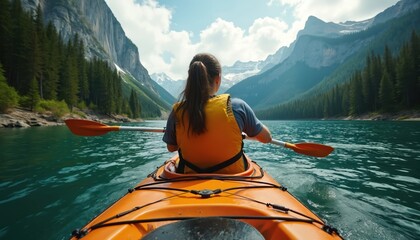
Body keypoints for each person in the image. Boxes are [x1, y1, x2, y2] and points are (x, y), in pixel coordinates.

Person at [163, 53, 272, 174]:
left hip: (189, 178)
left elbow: (171, 147)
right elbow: (266, 138)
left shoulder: (178, 111)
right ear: (218, 79)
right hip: (234, 181)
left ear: (191, 78)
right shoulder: (237, 107)